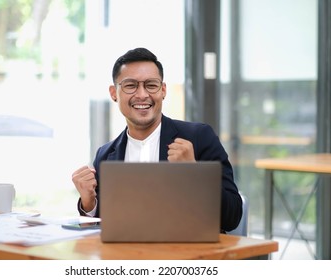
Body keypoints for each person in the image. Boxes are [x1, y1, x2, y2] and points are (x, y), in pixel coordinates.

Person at [72, 47, 242, 232]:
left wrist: (193, 174)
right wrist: (89, 204)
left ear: (163, 90)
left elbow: (232, 217)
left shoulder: (198, 137)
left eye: (151, 85)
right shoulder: (105, 154)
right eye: (130, 85)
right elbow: (105, 228)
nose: (142, 95)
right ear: (114, 93)